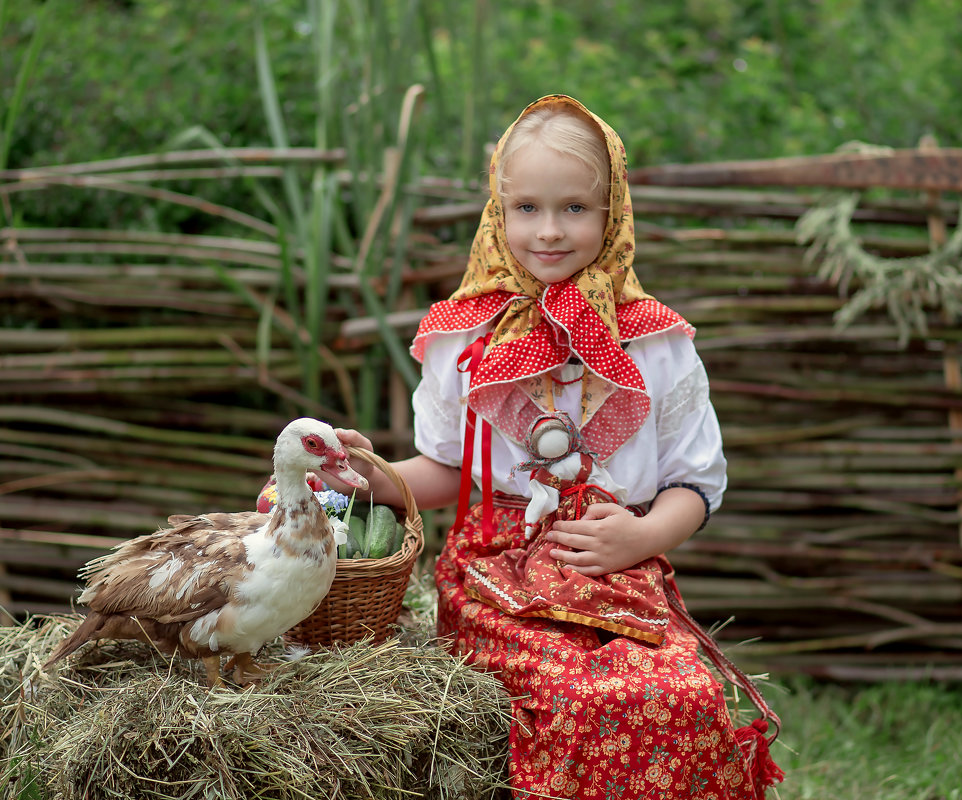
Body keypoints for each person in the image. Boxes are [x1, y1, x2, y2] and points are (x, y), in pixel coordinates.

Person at [334, 94, 783, 800]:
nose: (549, 231)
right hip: (498, 574)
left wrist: (640, 537)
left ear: (614, 214)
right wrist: (371, 476)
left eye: (576, 208)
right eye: (528, 209)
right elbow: (449, 470)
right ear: (498, 210)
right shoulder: (464, 337)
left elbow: (696, 484)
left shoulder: (655, 341)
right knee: (579, 699)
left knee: (685, 695)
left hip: (620, 569)